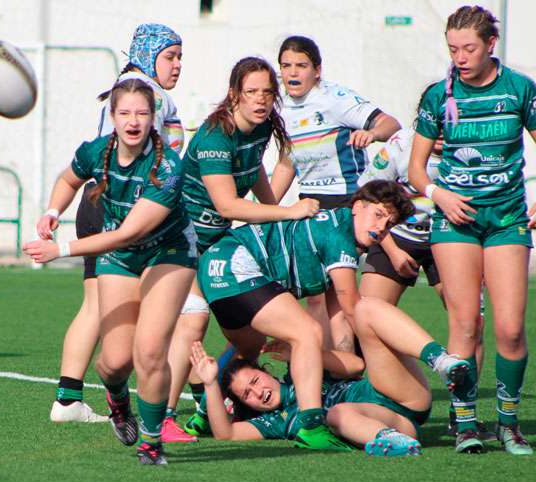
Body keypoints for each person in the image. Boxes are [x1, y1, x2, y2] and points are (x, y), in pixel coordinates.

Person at [24, 78, 196, 465]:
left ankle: (151, 442)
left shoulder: (167, 166)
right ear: (112, 117)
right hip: (120, 259)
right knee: (115, 362)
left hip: (168, 251)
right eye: (125, 113)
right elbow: (69, 179)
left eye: (142, 113)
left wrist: (61, 249)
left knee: (150, 350)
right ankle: (117, 397)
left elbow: (130, 231)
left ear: (154, 118)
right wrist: (53, 212)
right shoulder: (96, 151)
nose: (133, 121)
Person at [187, 180, 414, 450]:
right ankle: (311, 427)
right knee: (307, 333)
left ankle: (202, 415)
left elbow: (339, 316)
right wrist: (380, 346)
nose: (380, 228)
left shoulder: (342, 240)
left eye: (389, 225)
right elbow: (352, 306)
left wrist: (346, 366)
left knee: (248, 348)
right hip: (235, 261)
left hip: (216, 268)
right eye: (377, 215)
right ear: (356, 207)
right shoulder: (338, 236)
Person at [165, 56, 318, 441]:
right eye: (251, 92)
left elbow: (253, 173)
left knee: (248, 343)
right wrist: (287, 213)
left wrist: (279, 212)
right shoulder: (217, 135)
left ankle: (204, 409)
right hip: (180, 241)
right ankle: (163, 418)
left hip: (215, 243)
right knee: (193, 323)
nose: (261, 99)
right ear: (234, 94)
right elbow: (228, 205)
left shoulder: (262, 127)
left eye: (268, 91)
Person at [408, 5, 536, 455]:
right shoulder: (437, 96)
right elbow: (416, 170)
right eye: (452, 49)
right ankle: (465, 425)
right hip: (454, 222)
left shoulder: (520, 89)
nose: (459, 57)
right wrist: (438, 195)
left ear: (490, 45)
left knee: (511, 329)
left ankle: (508, 425)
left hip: (506, 220)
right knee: (464, 323)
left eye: (468, 48)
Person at [46, 23, 185, 425]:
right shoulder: (148, 93)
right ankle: (165, 413)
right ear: (147, 55)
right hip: (126, 209)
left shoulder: (122, 88)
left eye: (180, 58)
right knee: (169, 315)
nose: (177, 66)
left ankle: (69, 398)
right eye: (170, 56)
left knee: (97, 306)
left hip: (101, 202)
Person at [188, 295, 471, 456]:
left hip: (397, 393)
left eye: (254, 381)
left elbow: (356, 367)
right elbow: (226, 433)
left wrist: (302, 353)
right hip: (395, 424)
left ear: (267, 373)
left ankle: (442, 360)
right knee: (337, 415)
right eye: (247, 395)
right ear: (247, 406)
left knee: (365, 308)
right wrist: (211, 382)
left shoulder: (301, 370)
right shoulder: (275, 421)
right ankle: (396, 443)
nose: (257, 391)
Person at [357, 122, 491, 439]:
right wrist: (389, 249)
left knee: (472, 324)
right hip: (397, 239)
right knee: (362, 316)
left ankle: (462, 416)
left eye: (453, 126)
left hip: (451, 241)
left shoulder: (475, 152)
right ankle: (360, 400)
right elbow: (366, 192)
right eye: (438, 127)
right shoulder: (401, 144)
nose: (444, 134)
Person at [269, 35, 401, 352]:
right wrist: (266, 210)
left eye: (301, 65)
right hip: (310, 205)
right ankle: (333, 367)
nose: (293, 73)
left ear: (317, 70)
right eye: (286, 66)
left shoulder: (335, 98)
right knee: (319, 294)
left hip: (347, 203)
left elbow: (390, 123)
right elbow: (288, 163)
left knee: (334, 296)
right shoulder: (281, 109)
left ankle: (344, 367)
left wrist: (371, 133)